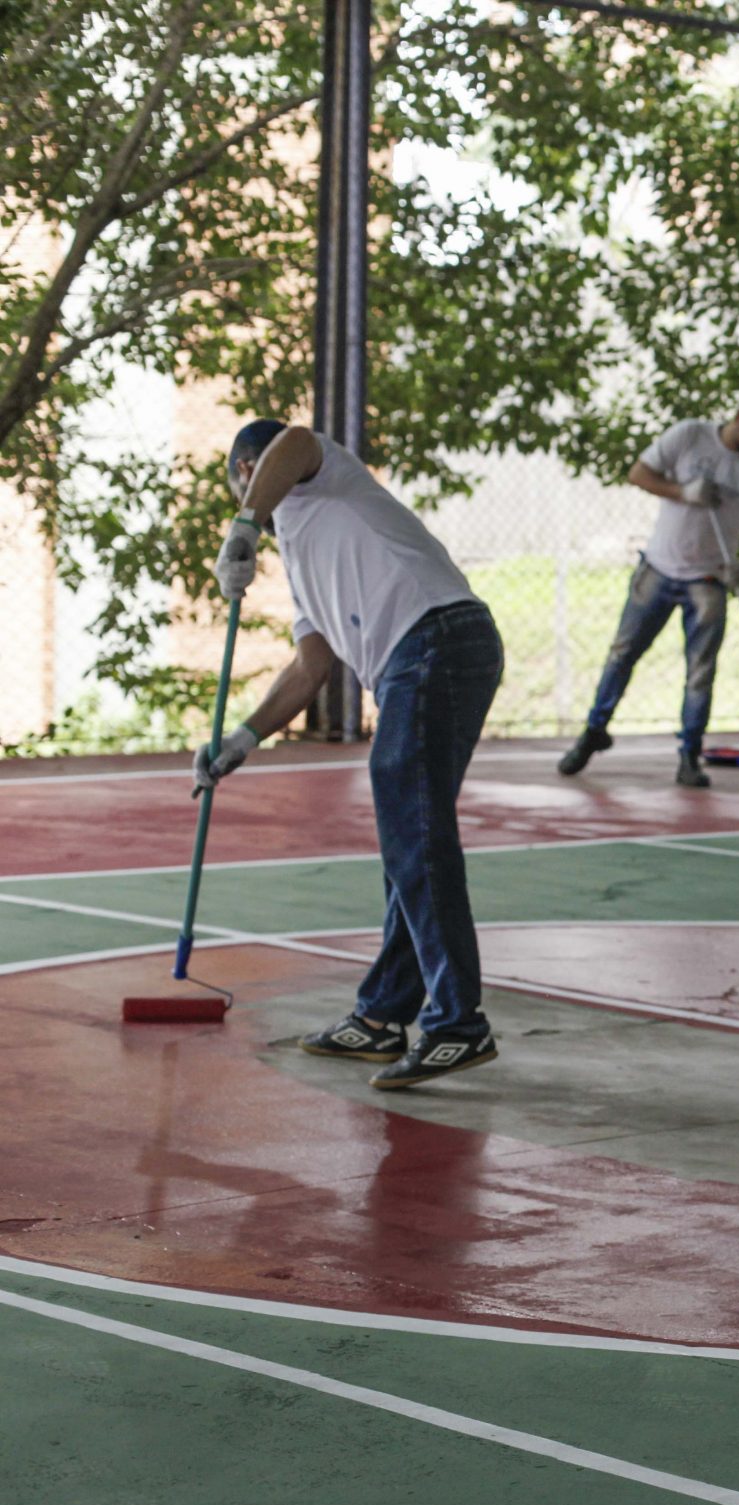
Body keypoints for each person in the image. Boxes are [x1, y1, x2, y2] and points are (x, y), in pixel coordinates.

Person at [200, 420, 507, 1089]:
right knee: (410, 831)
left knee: (414, 829)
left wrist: (243, 524)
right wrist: (242, 738)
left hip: (434, 639)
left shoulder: (318, 476)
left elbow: (298, 439)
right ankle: (382, 1014)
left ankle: (458, 1022)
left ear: (249, 469)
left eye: (244, 486)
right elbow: (310, 667)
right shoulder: (305, 565)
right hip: (430, 655)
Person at [557, 391, 739, 788]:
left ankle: (689, 755)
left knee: (700, 672)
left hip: (709, 580)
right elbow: (639, 474)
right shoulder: (690, 436)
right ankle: (594, 731)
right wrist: (684, 492)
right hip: (659, 570)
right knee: (622, 654)